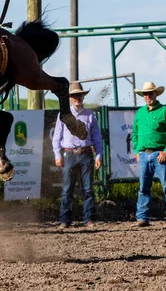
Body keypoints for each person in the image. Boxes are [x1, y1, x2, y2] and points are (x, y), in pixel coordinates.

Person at [52, 82, 103, 229]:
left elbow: (97, 138)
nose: (77, 98)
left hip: (86, 153)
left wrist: (98, 155)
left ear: (82, 96)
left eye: (79, 95)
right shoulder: (64, 115)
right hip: (69, 154)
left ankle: (89, 220)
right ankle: (65, 220)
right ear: (70, 98)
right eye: (74, 95)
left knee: (88, 189)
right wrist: (57, 154)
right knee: (67, 188)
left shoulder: (90, 115)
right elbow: (57, 136)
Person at [132, 81, 166, 228]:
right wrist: (137, 150)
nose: (147, 96)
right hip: (144, 154)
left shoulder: (165, 111)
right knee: (143, 187)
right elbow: (135, 134)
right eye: (145, 94)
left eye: (150, 93)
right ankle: (142, 218)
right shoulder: (140, 112)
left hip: (159, 153)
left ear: (156, 94)